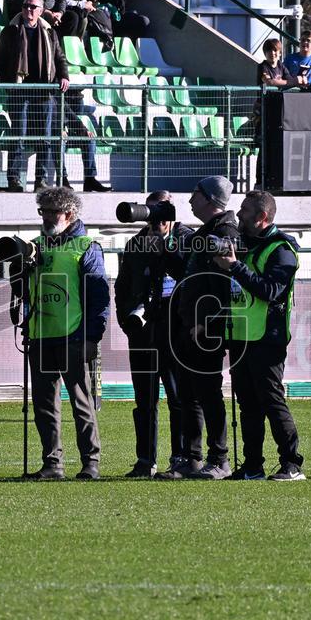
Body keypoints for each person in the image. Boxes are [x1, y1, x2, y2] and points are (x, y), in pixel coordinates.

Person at [212, 191, 306, 481]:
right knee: (248, 405)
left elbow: (270, 291)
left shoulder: (281, 250)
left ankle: (292, 464)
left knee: (272, 401)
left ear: (262, 217)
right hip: (241, 336)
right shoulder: (247, 244)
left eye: (245, 210)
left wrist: (235, 266)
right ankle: (252, 466)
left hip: (267, 338)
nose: (239, 215)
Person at [19, 187, 109, 480]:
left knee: (81, 403)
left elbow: (99, 297)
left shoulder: (86, 246)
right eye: (42, 211)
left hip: (74, 335)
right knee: (44, 406)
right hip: (40, 335)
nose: (45, 217)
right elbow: (21, 291)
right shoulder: (34, 246)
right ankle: (52, 464)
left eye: (52, 212)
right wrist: (20, 267)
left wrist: (92, 338)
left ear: (69, 214)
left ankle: (90, 463)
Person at [156, 175, 241, 480]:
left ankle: (219, 459)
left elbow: (222, 283)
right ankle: (192, 458)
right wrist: (165, 243)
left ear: (209, 198)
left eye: (195, 193)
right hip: (189, 324)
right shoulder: (206, 232)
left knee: (208, 394)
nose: (190, 199)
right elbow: (186, 273)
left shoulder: (225, 232)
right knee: (189, 394)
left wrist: (206, 322)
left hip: (205, 328)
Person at [114, 191, 193, 477]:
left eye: (162, 211)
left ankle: (181, 458)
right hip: (143, 331)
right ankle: (145, 460)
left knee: (178, 398)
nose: (156, 219)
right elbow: (122, 286)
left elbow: (190, 276)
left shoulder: (187, 239)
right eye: (151, 212)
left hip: (175, 331)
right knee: (144, 401)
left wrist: (166, 247)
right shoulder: (136, 243)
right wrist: (127, 321)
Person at [0, 0, 70, 192]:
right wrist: (8, 83)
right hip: (20, 91)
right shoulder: (10, 31)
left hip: (44, 91)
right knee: (18, 136)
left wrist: (64, 76)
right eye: (26, 6)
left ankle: (40, 180)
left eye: (33, 7)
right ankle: (14, 180)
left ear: (41, 11)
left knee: (45, 138)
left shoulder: (49, 31)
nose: (28, 9)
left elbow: (59, 57)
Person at [58, 87, 111, 192]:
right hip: (53, 136)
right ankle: (63, 179)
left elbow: (72, 117)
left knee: (90, 140)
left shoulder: (64, 102)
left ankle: (90, 179)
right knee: (60, 141)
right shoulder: (51, 98)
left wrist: (85, 131)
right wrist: (60, 129)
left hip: (67, 136)